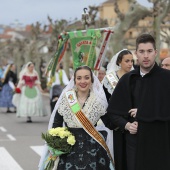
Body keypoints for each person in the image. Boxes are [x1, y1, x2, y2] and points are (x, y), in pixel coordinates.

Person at [107, 33, 170, 170]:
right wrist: (127, 125)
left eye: (149, 51)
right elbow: (113, 112)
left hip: (161, 142)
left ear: (155, 53)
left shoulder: (167, 78)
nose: (145, 56)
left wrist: (143, 112)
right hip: (135, 143)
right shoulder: (128, 80)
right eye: (141, 51)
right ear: (136, 53)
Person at [39, 65, 115, 170]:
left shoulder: (98, 102)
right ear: (74, 80)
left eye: (86, 77)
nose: (82, 81)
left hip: (93, 150)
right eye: (79, 78)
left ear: (92, 80)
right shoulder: (66, 100)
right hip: (69, 150)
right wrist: (57, 145)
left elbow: (111, 124)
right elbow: (56, 126)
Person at [102, 49, 134, 170]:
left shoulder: (135, 77)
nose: (130, 64)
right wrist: (111, 123)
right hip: (115, 124)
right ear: (119, 62)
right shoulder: (109, 79)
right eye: (127, 61)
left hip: (132, 123)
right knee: (118, 156)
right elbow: (104, 103)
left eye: (132, 61)